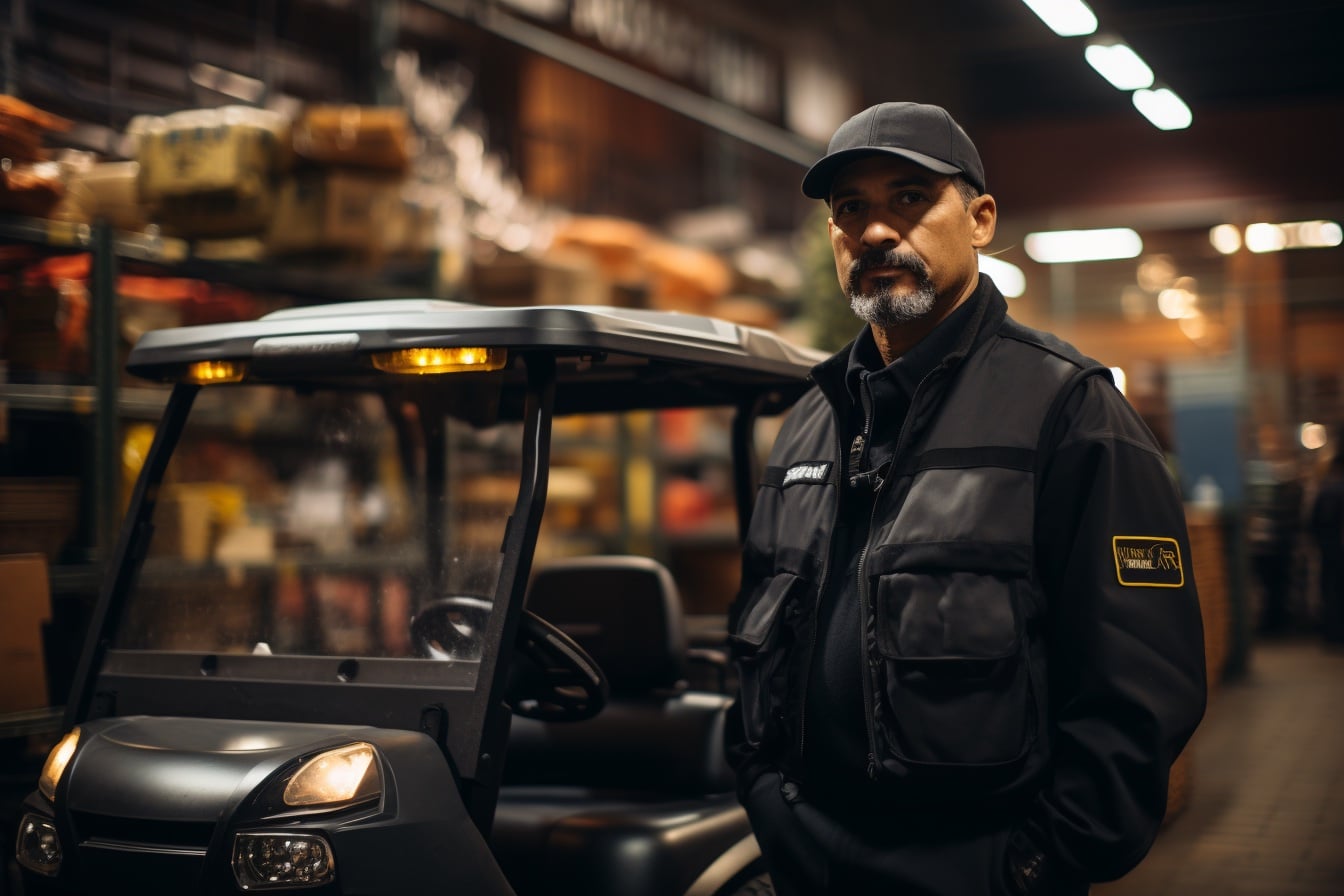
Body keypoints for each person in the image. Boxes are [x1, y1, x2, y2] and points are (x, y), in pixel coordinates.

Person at [726, 102, 1207, 896]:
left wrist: (1033, 864)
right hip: (806, 856)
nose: (876, 230)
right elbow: (759, 637)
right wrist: (763, 793)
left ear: (980, 219)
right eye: (850, 208)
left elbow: (1142, 685)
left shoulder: (1068, 410)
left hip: (976, 867)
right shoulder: (811, 419)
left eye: (910, 198)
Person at [1309, 450, 1344, 646]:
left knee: (1329, 589)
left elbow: (1312, 523)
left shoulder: (1324, 491)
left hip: (1327, 549)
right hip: (1337, 548)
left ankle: (1331, 634)